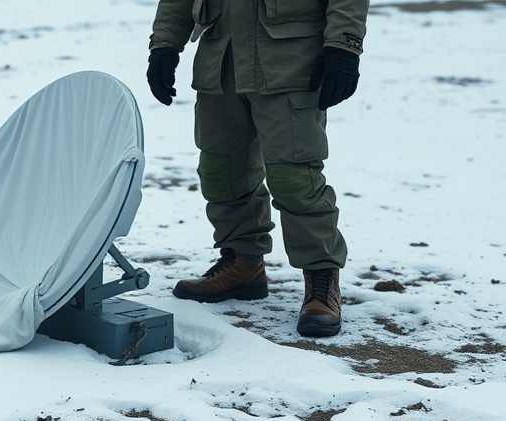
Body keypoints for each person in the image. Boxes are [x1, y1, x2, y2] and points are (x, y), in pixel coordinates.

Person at [146, 0, 369, 337]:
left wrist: (344, 45)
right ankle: (243, 263)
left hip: (290, 61)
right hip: (221, 58)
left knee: (294, 178)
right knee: (221, 171)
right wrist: (165, 44)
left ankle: (321, 279)